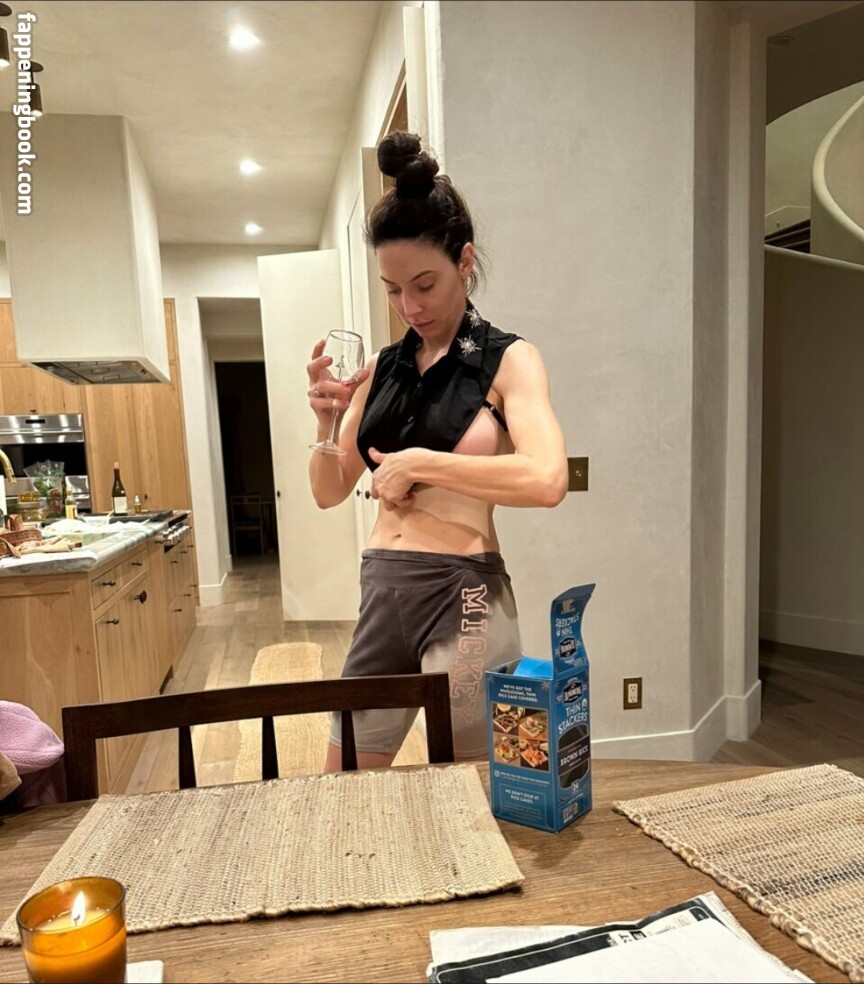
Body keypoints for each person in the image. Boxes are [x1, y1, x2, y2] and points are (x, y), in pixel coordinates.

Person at [306, 131, 568, 772]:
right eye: (393, 289)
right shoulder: (382, 367)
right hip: (382, 590)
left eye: (424, 283)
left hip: (466, 597)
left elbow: (547, 479)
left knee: (477, 787)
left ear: (465, 261)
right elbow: (328, 490)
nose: (409, 306)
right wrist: (327, 422)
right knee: (345, 783)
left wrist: (420, 462)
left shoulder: (509, 359)